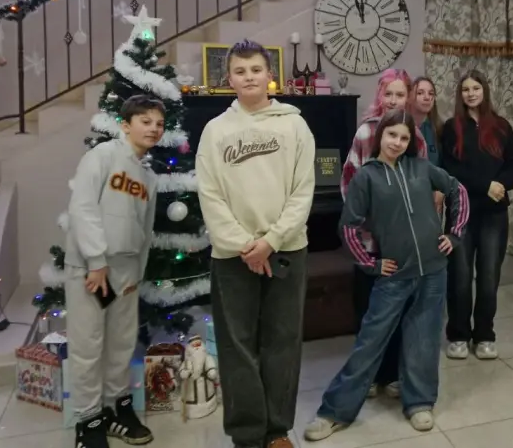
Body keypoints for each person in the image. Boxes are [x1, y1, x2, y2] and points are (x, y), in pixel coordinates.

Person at [304, 110, 469, 441]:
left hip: (433, 272)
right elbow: (348, 227)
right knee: (370, 342)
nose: (397, 142)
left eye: (404, 138)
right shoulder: (366, 177)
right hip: (394, 276)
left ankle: (419, 402)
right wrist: (371, 264)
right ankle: (333, 412)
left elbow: (458, 191)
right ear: (381, 135)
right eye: (392, 135)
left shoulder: (421, 168)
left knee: (424, 340)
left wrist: (454, 234)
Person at [196, 39, 316, 448]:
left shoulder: (294, 126)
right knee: (237, 346)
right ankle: (247, 435)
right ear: (229, 79)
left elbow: (303, 191)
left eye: (255, 70)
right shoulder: (215, 131)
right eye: (240, 71)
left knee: (283, 341)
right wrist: (246, 245)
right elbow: (210, 195)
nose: (248, 77)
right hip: (232, 256)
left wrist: (271, 241)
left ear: (270, 76)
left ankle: (277, 429)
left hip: (287, 250)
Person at [65, 95, 165, 448]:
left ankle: (116, 408)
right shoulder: (102, 156)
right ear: (125, 125)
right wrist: (96, 261)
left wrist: (137, 273)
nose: (154, 129)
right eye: (145, 121)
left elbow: (145, 230)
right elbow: (82, 208)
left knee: (121, 345)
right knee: (88, 346)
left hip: (126, 272)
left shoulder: (149, 177)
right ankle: (88, 421)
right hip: (92, 269)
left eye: (159, 124)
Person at [340, 69, 428, 399]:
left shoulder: (416, 137)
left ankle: (391, 374)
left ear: (408, 98)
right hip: (369, 240)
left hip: (401, 242)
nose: (393, 100)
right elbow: (349, 182)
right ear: (380, 95)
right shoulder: (366, 132)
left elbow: (421, 184)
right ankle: (367, 374)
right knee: (368, 312)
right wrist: (370, 218)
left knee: (400, 311)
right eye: (387, 93)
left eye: (399, 94)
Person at [440, 70, 513, 361]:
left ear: (484, 91)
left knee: (489, 277)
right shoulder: (451, 127)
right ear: (460, 94)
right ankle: (458, 335)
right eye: (466, 89)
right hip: (460, 214)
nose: (471, 93)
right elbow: (450, 169)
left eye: (476, 88)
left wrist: (501, 184)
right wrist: (485, 185)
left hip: (493, 215)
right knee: (459, 277)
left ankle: (485, 334)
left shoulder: (501, 126)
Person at [410, 76, 442, 166]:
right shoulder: (402, 127)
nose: (427, 97)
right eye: (420, 93)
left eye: (431, 93)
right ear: (410, 96)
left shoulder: (439, 129)